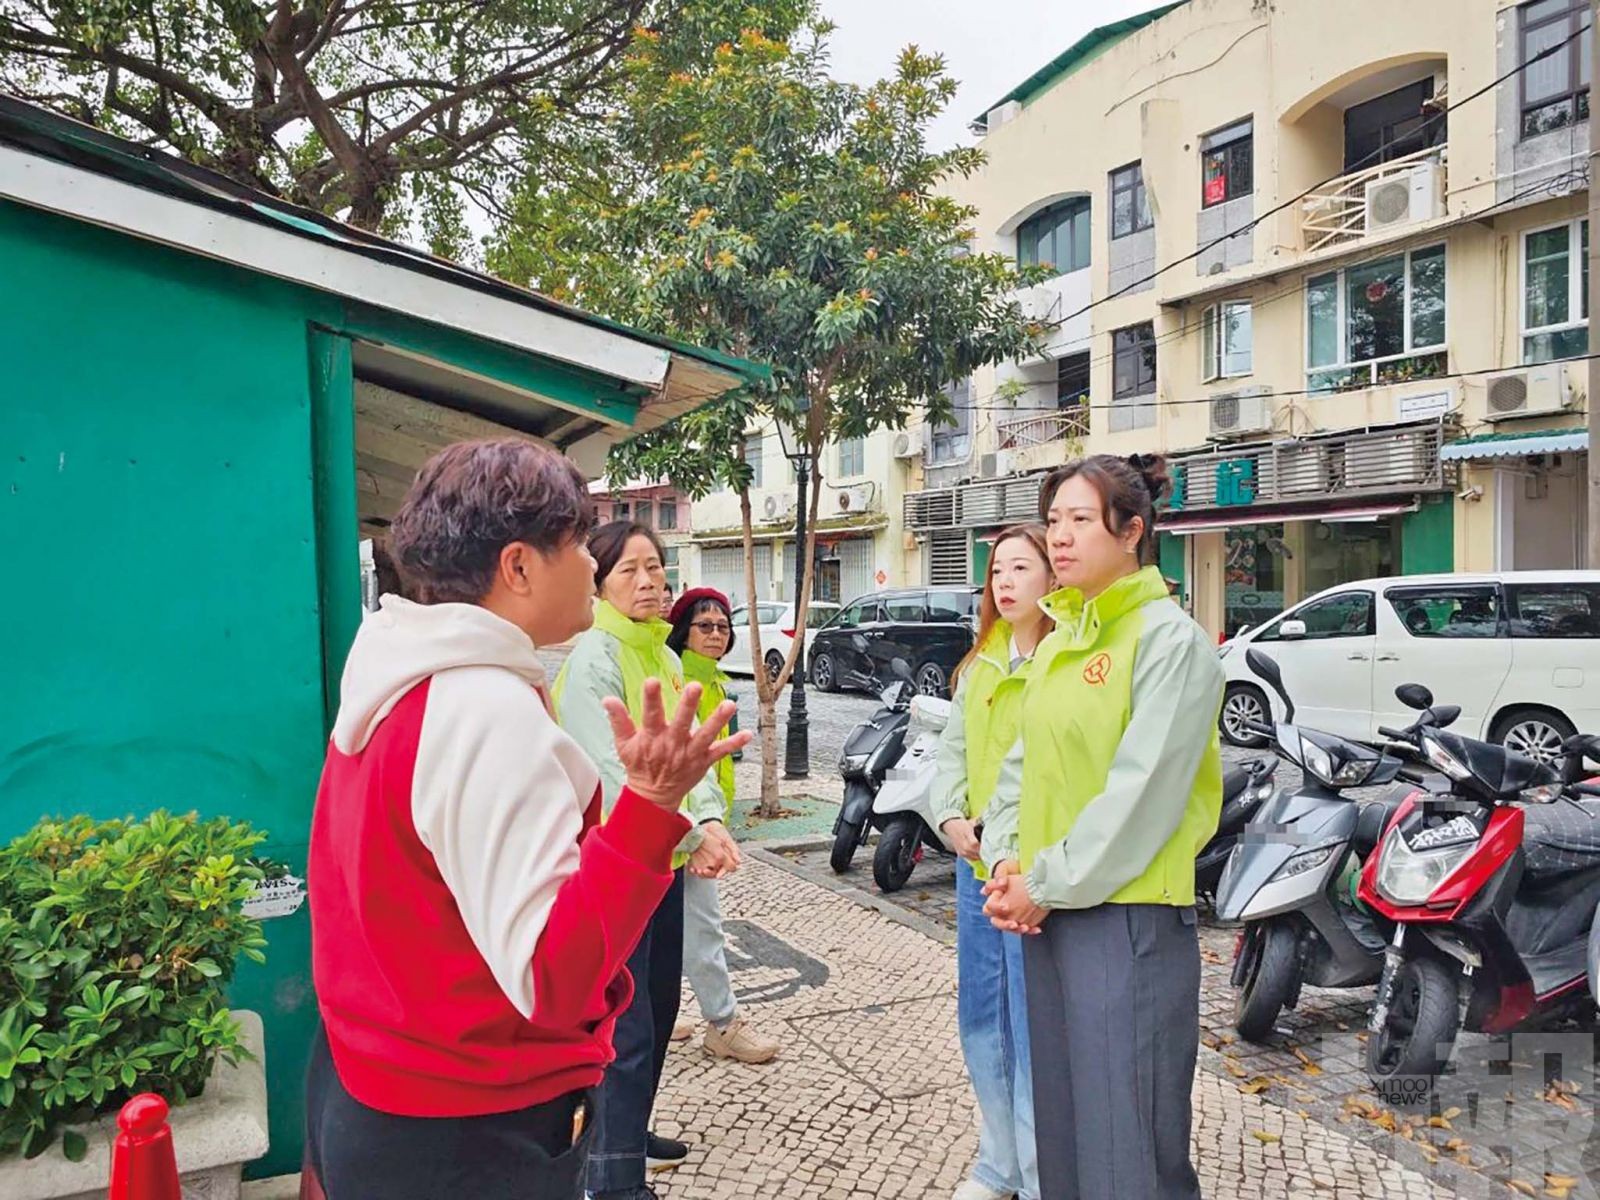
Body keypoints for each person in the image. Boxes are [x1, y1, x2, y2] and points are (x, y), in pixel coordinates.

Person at [304, 439, 747, 1200]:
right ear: (518, 567)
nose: (592, 566)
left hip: (375, 1087)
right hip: (464, 1130)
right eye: (577, 543)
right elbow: (553, 974)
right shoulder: (482, 710)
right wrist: (650, 809)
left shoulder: (398, 668)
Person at [980, 454, 1224, 1200]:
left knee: (1129, 1137)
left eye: (1081, 519)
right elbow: (1020, 768)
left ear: (1132, 533)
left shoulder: (1169, 642)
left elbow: (1140, 793)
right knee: (1064, 1122)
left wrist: (1044, 882)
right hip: (1050, 910)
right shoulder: (1060, 642)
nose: (1060, 536)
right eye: (1054, 519)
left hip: (1128, 918)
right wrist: (1005, 860)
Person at [553, 523, 743, 1200]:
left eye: (657, 568)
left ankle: (629, 1135)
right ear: (601, 581)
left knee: (657, 1008)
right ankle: (610, 1179)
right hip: (611, 868)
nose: (650, 582)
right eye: (631, 570)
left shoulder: (661, 658)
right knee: (623, 1027)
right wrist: (694, 835)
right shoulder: (595, 659)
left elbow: (690, 758)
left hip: (658, 861)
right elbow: (608, 775)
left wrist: (710, 821)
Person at [929, 524, 1053, 1200]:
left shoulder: (1063, 660)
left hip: (1033, 877)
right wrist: (949, 817)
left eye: (1020, 567)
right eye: (996, 571)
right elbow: (952, 750)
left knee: (1032, 1029)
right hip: (976, 869)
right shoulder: (981, 663)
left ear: (1051, 578)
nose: (1005, 583)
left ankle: (1038, 1173)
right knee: (982, 1018)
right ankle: (998, 1161)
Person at [664, 587, 782, 1064]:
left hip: (699, 824)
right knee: (703, 926)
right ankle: (724, 1023)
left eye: (723, 627)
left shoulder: (712, 682)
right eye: (705, 626)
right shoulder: (681, 681)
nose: (717, 635)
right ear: (682, 632)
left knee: (668, 928)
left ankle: (659, 1007)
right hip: (682, 828)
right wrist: (699, 830)